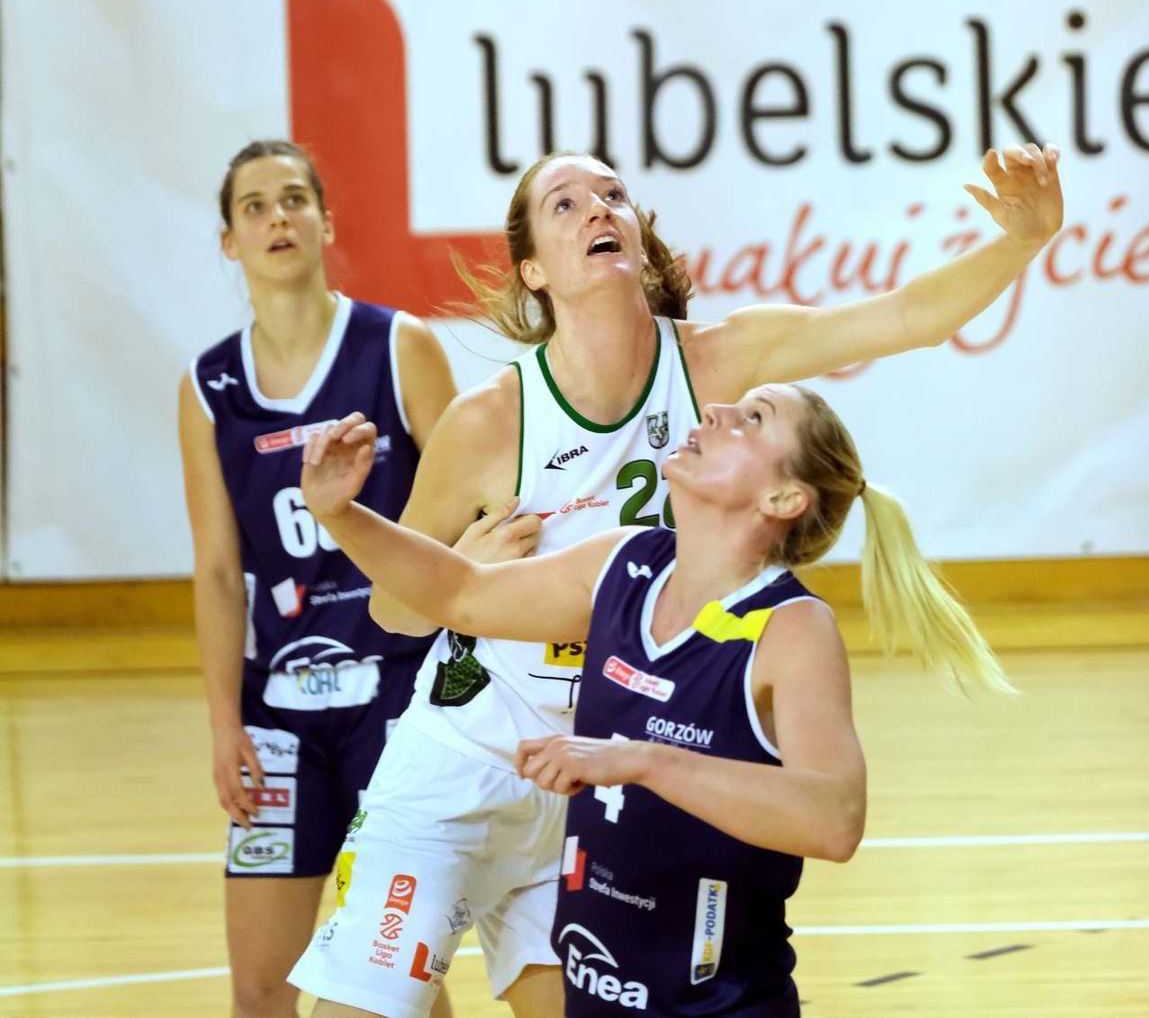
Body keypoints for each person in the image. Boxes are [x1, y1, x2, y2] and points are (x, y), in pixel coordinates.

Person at [289, 144, 1062, 1018]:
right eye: (567, 204)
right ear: (535, 269)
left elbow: (904, 317)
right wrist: (471, 555)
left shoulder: (720, 372)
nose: (598, 210)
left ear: (642, 237)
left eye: (613, 195)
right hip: (464, 756)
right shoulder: (491, 419)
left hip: (593, 775)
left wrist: (1023, 240)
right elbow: (400, 608)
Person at [299, 378, 1011, 1018]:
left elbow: (835, 820)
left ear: (783, 499)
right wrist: (341, 515)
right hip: (602, 982)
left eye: (753, 419)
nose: (719, 410)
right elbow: (460, 592)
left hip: (716, 1002)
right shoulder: (626, 562)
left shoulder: (791, 628)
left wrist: (644, 762)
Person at [179, 139, 473, 1018]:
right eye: (255, 206)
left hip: (399, 695)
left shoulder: (398, 346)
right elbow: (220, 572)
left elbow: (468, 505)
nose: (278, 217)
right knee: (261, 984)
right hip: (279, 715)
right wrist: (224, 720)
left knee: (395, 977)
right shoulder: (208, 386)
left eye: (294, 199)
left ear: (325, 222)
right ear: (229, 241)